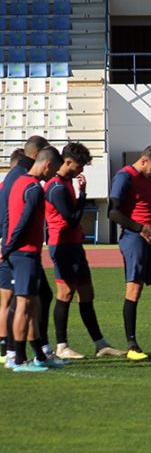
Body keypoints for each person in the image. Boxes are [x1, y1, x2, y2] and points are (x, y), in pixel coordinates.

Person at [46, 142, 125, 360]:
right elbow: (71, 220)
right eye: (80, 165)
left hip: (74, 246)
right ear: (68, 161)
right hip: (62, 246)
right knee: (65, 293)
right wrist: (82, 196)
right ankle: (61, 345)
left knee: (87, 293)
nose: (82, 169)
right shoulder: (56, 187)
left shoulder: (66, 183)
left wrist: (80, 194)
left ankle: (101, 344)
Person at [108, 144, 151, 361]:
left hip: (150, 237)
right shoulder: (124, 177)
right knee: (134, 290)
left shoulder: (150, 178)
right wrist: (140, 228)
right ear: (144, 160)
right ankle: (132, 345)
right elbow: (112, 212)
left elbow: (146, 208)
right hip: (133, 238)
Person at [1, 137, 59, 368]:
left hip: (23, 252)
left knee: (34, 303)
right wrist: (8, 247)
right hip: (24, 253)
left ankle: (39, 355)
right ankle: (16, 357)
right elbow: (22, 223)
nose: (52, 174)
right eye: (53, 169)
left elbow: (9, 218)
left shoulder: (18, 182)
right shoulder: (34, 188)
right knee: (24, 305)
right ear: (46, 164)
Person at [0, 148, 25, 365]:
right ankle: (8, 349)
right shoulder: (15, 186)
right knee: (15, 300)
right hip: (7, 246)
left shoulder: (4, 185)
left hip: (4, 243)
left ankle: (3, 347)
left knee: (5, 300)